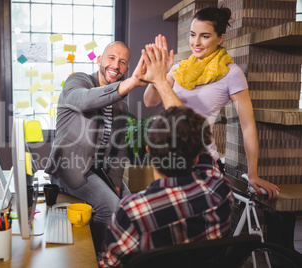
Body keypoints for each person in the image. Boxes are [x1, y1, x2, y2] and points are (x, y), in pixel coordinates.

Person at [142, 6, 280, 200]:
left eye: (205, 36)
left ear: (220, 38)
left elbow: (248, 126)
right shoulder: (180, 68)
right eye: (192, 35)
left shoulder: (231, 73)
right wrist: (161, 74)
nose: (196, 42)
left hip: (202, 157)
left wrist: (253, 174)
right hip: (169, 156)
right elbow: (150, 100)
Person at [98, 106, 235, 267]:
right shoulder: (220, 189)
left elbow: (108, 265)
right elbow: (206, 159)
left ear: (149, 150)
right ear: (196, 158)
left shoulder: (132, 212)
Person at [45, 41, 146, 252]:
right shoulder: (78, 81)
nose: (116, 65)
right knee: (111, 209)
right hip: (69, 168)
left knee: (132, 209)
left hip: (99, 172)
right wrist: (130, 84)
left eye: (122, 62)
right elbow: (83, 101)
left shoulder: (120, 104)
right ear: (99, 60)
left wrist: (116, 184)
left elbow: (119, 149)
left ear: (127, 69)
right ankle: (99, 258)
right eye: (111, 58)